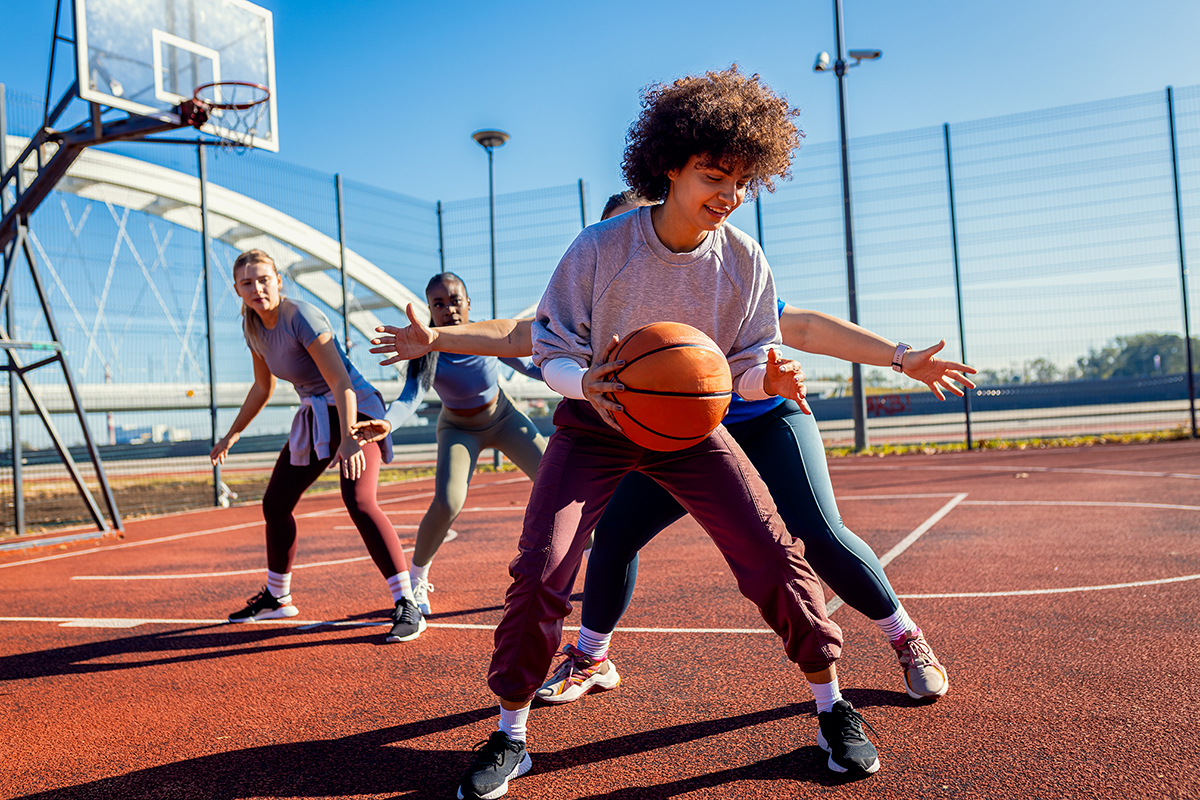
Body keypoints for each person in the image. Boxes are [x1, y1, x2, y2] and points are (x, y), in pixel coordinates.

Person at [393, 65, 882, 798]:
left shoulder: (743, 259)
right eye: (714, 175)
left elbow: (739, 365)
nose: (729, 195)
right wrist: (582, 381)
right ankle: (511, 734)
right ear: (670, 167)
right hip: (595, 424)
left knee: (774, 553)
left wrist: (764, 383)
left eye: (743, 181)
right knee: (542, 568)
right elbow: (549, 344)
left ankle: (829, 707)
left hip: (690, 426)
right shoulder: (599, 249)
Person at [531, 194, 975, 707]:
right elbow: (527, 338)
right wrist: (443, 338)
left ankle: (906, 638)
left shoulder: (721, 278)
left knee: (818, 530)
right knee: (616, 533)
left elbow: (802, 327)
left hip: (763, 418)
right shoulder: (598, 280)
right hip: (684, 437)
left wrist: (899, 358)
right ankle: (592, 657)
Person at [210, 249, 424, 644]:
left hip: (357, 412)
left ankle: (407, 603)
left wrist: (347, 439)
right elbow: (263, 387)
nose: (257, 288)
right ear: (237, 290)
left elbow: (342, 384)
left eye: (263, 279)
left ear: (278, 280)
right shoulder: (253, 326)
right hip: (317, 415)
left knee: (359, 500)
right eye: (246, 283)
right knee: (275, 503)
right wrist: (232, 434)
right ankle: (277, 597)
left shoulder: (301, 316)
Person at [352, 272, 547, 616]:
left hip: (503, 418)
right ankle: (416, 578)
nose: (449, 310)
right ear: (429, 309)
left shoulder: (487, 337)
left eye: (455, 301)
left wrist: (576, 374)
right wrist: (388, 422)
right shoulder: (425, 349)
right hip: (459, 428)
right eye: (438, 304)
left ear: (468, 304)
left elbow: (531, 368)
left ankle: (595, 559)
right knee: (448, 502)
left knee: (555, 482)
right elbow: (410, 397)